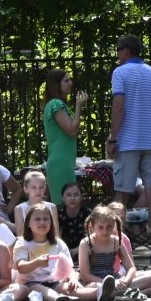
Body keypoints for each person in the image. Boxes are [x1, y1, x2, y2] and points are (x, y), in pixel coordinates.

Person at [108, 35, 151, 264]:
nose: (117, 54)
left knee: (121, 195)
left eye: (118, 50)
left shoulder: (120, 73)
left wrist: (113, 138)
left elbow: (119, 107)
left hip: (127, 142)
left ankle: (112, 250)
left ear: (125, 51)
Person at [77, 204, 151, 301]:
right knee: (93, 287)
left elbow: (131, 267)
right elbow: (85, 275)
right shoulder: (85, 243)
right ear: (92, 226)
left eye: (109, 227)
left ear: (114, 225)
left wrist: (125, 281)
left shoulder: (116, 241)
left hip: (115, 279)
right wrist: (109, 284)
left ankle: (117, 293)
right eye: (100, 227)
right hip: (96, 282)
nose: (105, 231)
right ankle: (129, 292)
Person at [41, 68, 87, 205]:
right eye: (66, 80)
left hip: (64, 163)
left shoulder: (56, 104)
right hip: (60, 164)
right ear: (56, 85)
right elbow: (72, 129)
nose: (71, 83)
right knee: (64, 207)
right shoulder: (56, 104)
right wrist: (79, 106)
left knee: (68, 208)